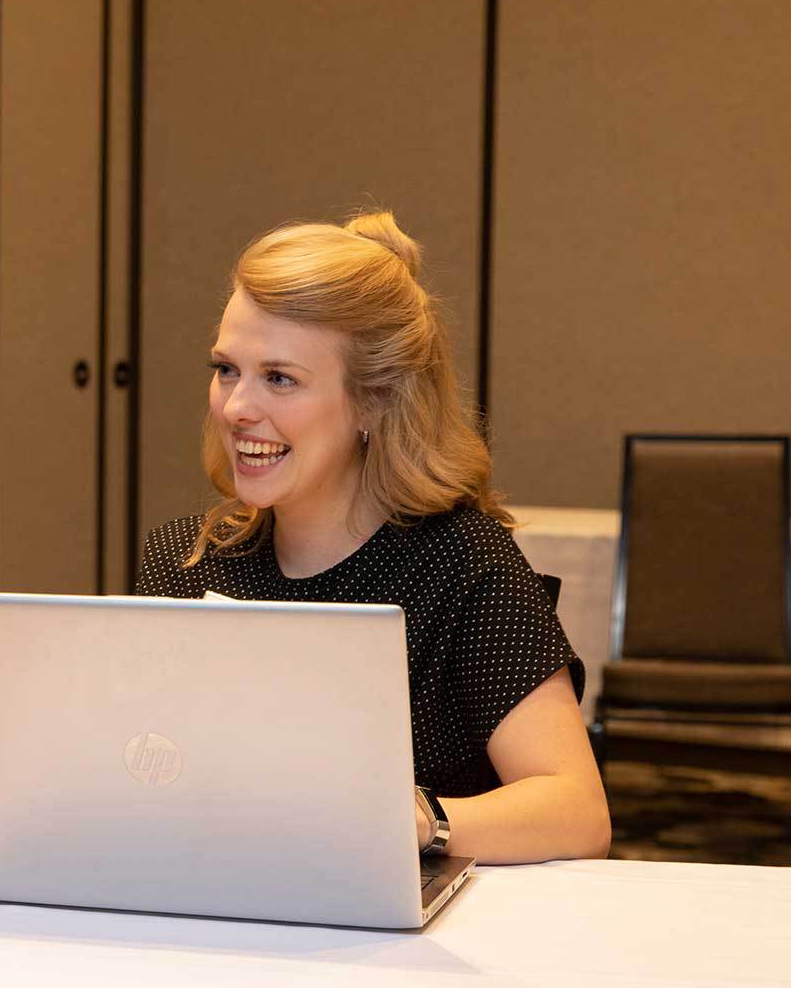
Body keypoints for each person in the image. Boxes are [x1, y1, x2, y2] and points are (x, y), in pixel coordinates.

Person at [135, 211, 611, 865]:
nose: (237, 406)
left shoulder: (462, 564)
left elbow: (575, 811)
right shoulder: (182, 561)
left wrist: (417, 822)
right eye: (226, 369)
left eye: (279, 378)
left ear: (374, 401)